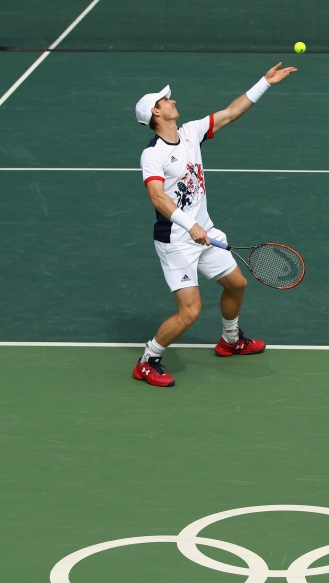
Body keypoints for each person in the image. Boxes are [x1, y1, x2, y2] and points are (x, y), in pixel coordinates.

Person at [132, 63, 297, 387]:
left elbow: (231, 112)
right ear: (156, 112)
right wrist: (189, 225)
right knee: (190, 311)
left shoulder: (191, 133)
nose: (172, 100)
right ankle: (147, 361)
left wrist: (264, 81)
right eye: (166, 99)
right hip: (177, 241)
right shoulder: (152, 155)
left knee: (237, 284)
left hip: (204, 232)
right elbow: (157, 198)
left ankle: (230, 340)